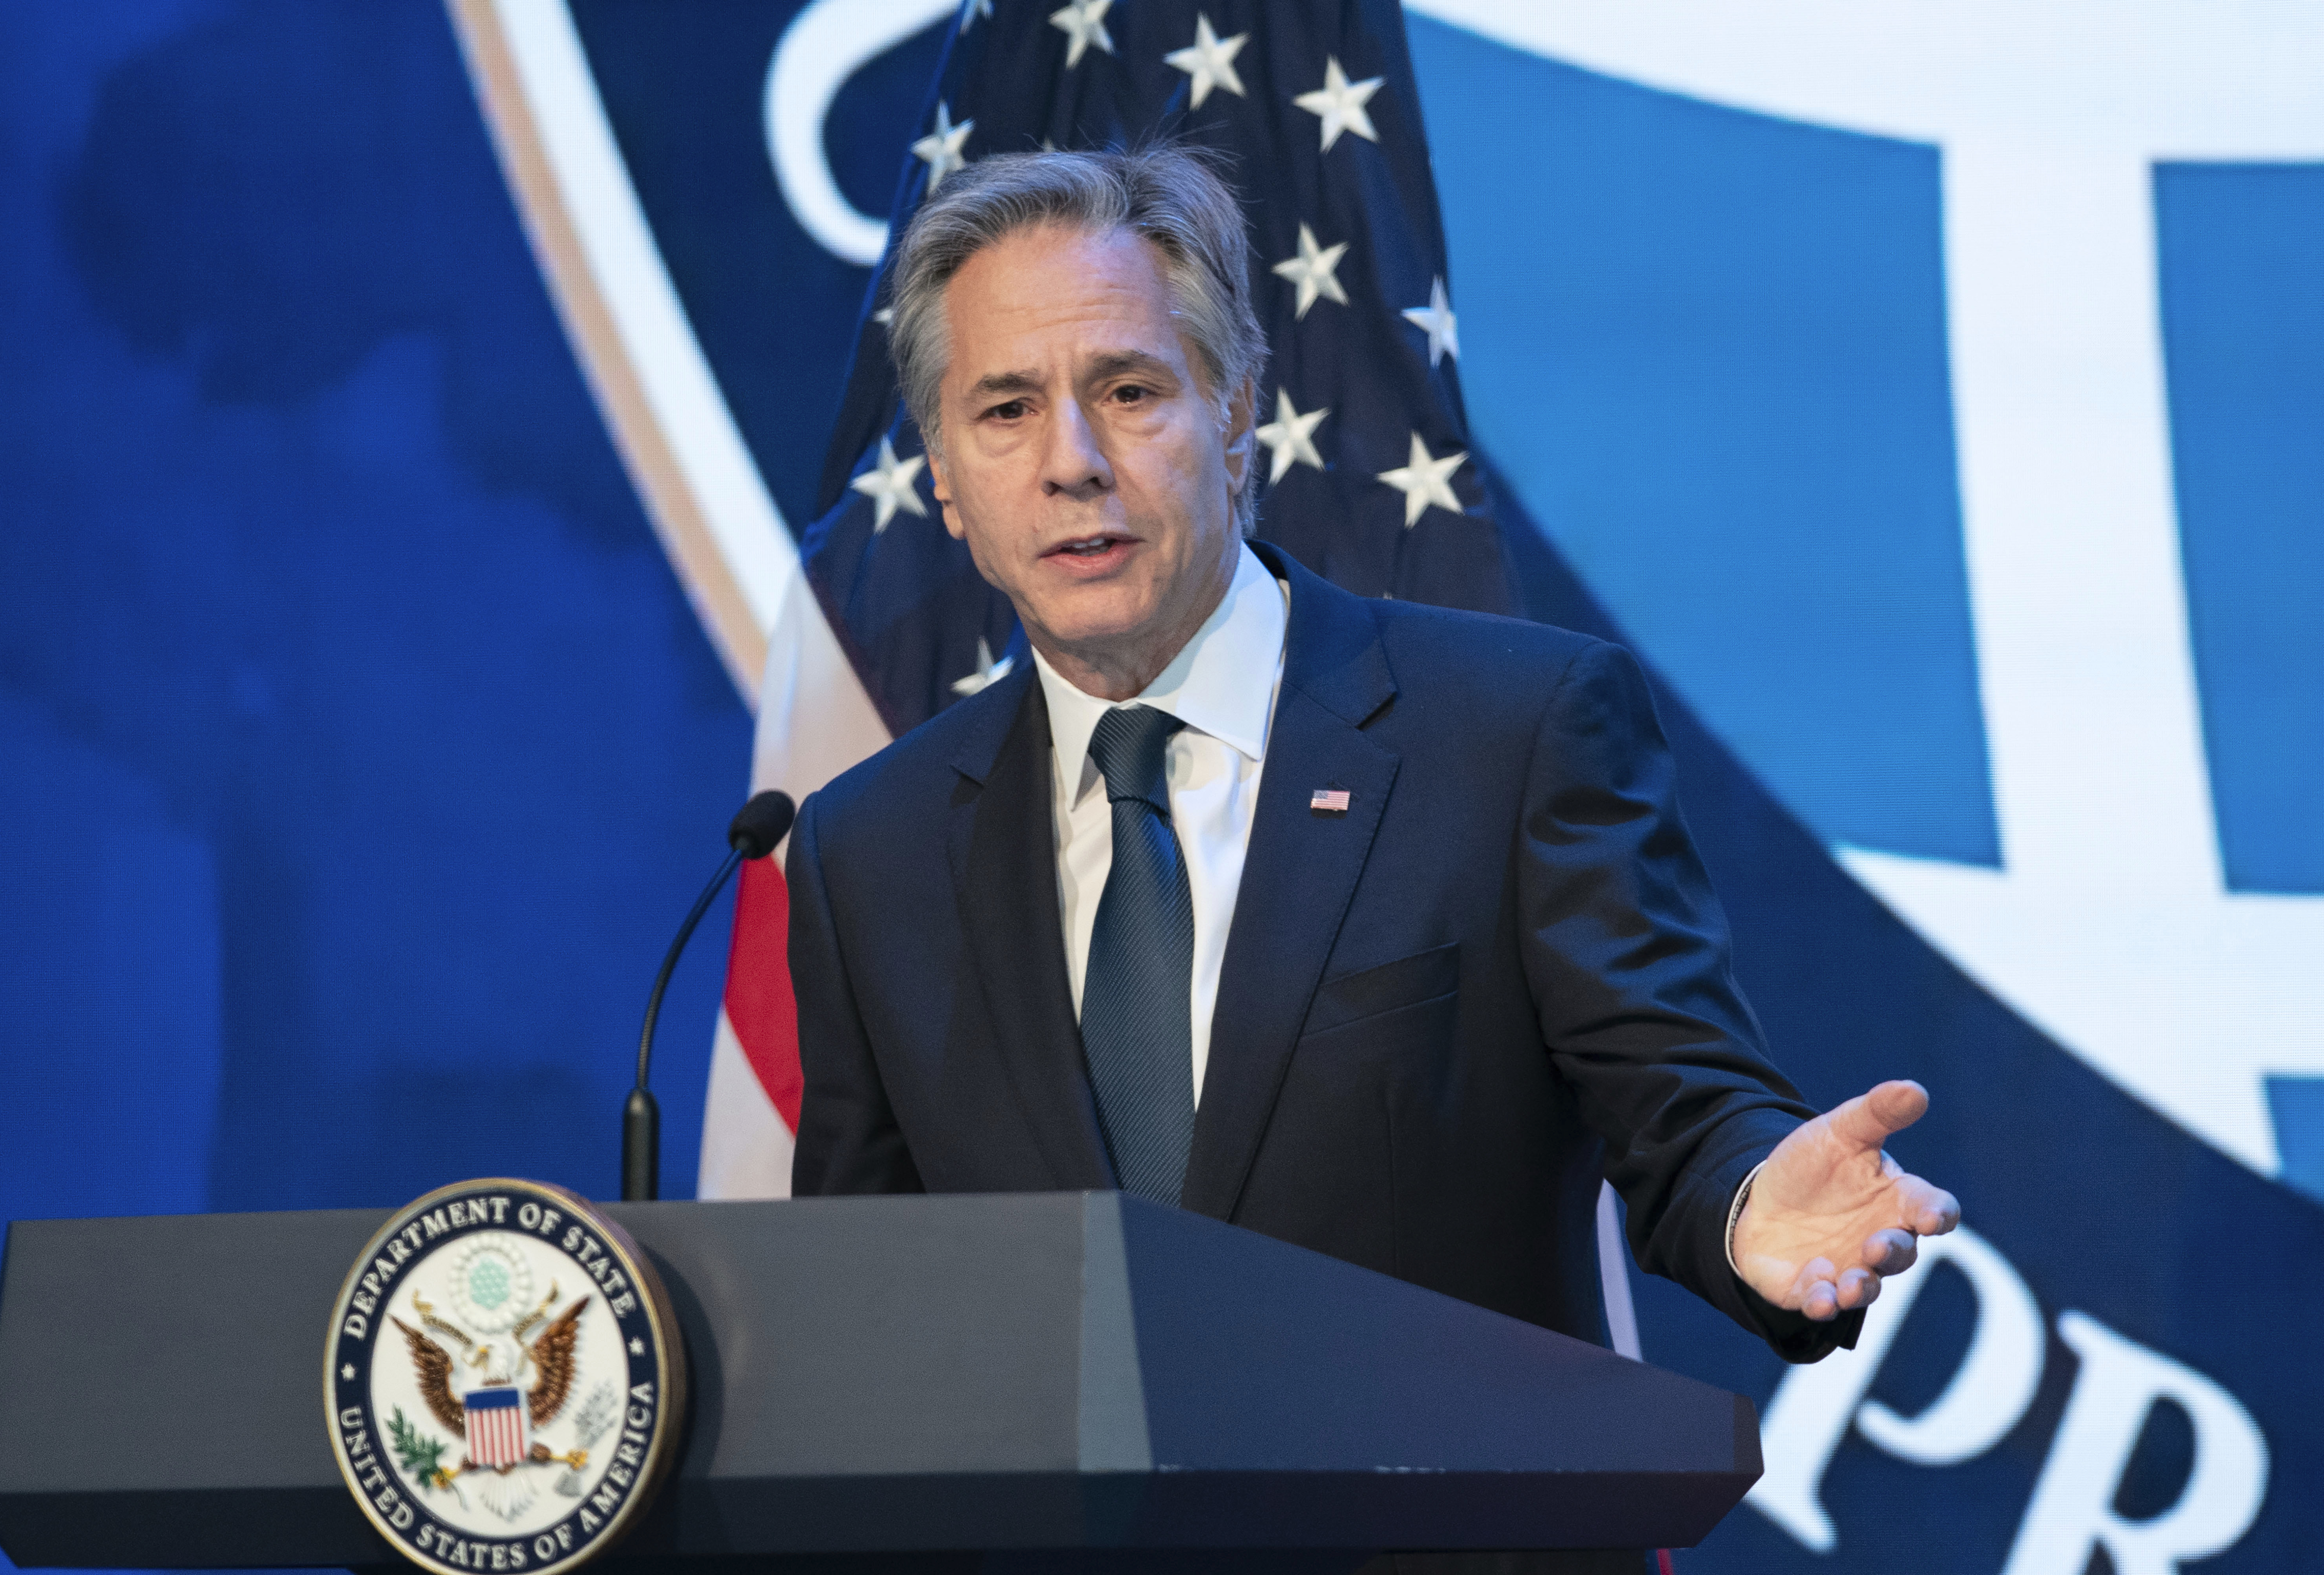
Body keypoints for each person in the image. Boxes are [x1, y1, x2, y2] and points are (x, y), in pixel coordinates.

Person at [787, 147, 1959, 1369]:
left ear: (1237, 410)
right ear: (947, 484)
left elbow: (1678, 1105)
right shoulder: (871, 848)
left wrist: (1748, 1202)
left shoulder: (1510, 734)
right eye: (1007, 409)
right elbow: (872, 1299)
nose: (1070, 460)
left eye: (1129, 391)